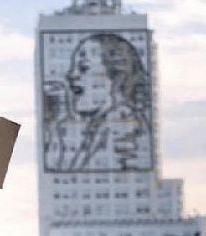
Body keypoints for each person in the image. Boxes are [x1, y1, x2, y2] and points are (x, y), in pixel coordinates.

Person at [44, 33, 151, 172]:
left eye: (83, 68)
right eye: (73, 68)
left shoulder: (121, 125)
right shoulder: (102, 124)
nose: (71, 75)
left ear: (117, 78)